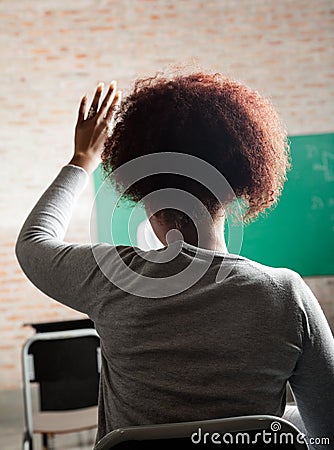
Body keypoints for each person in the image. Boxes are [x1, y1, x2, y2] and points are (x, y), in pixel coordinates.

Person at [16, 72, 334, 448]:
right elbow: (328, 430)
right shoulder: (286, 295)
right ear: (235, 192)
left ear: (143, 195)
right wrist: (278, 424)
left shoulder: (112, 278)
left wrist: (82, 159)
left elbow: (33, 243)